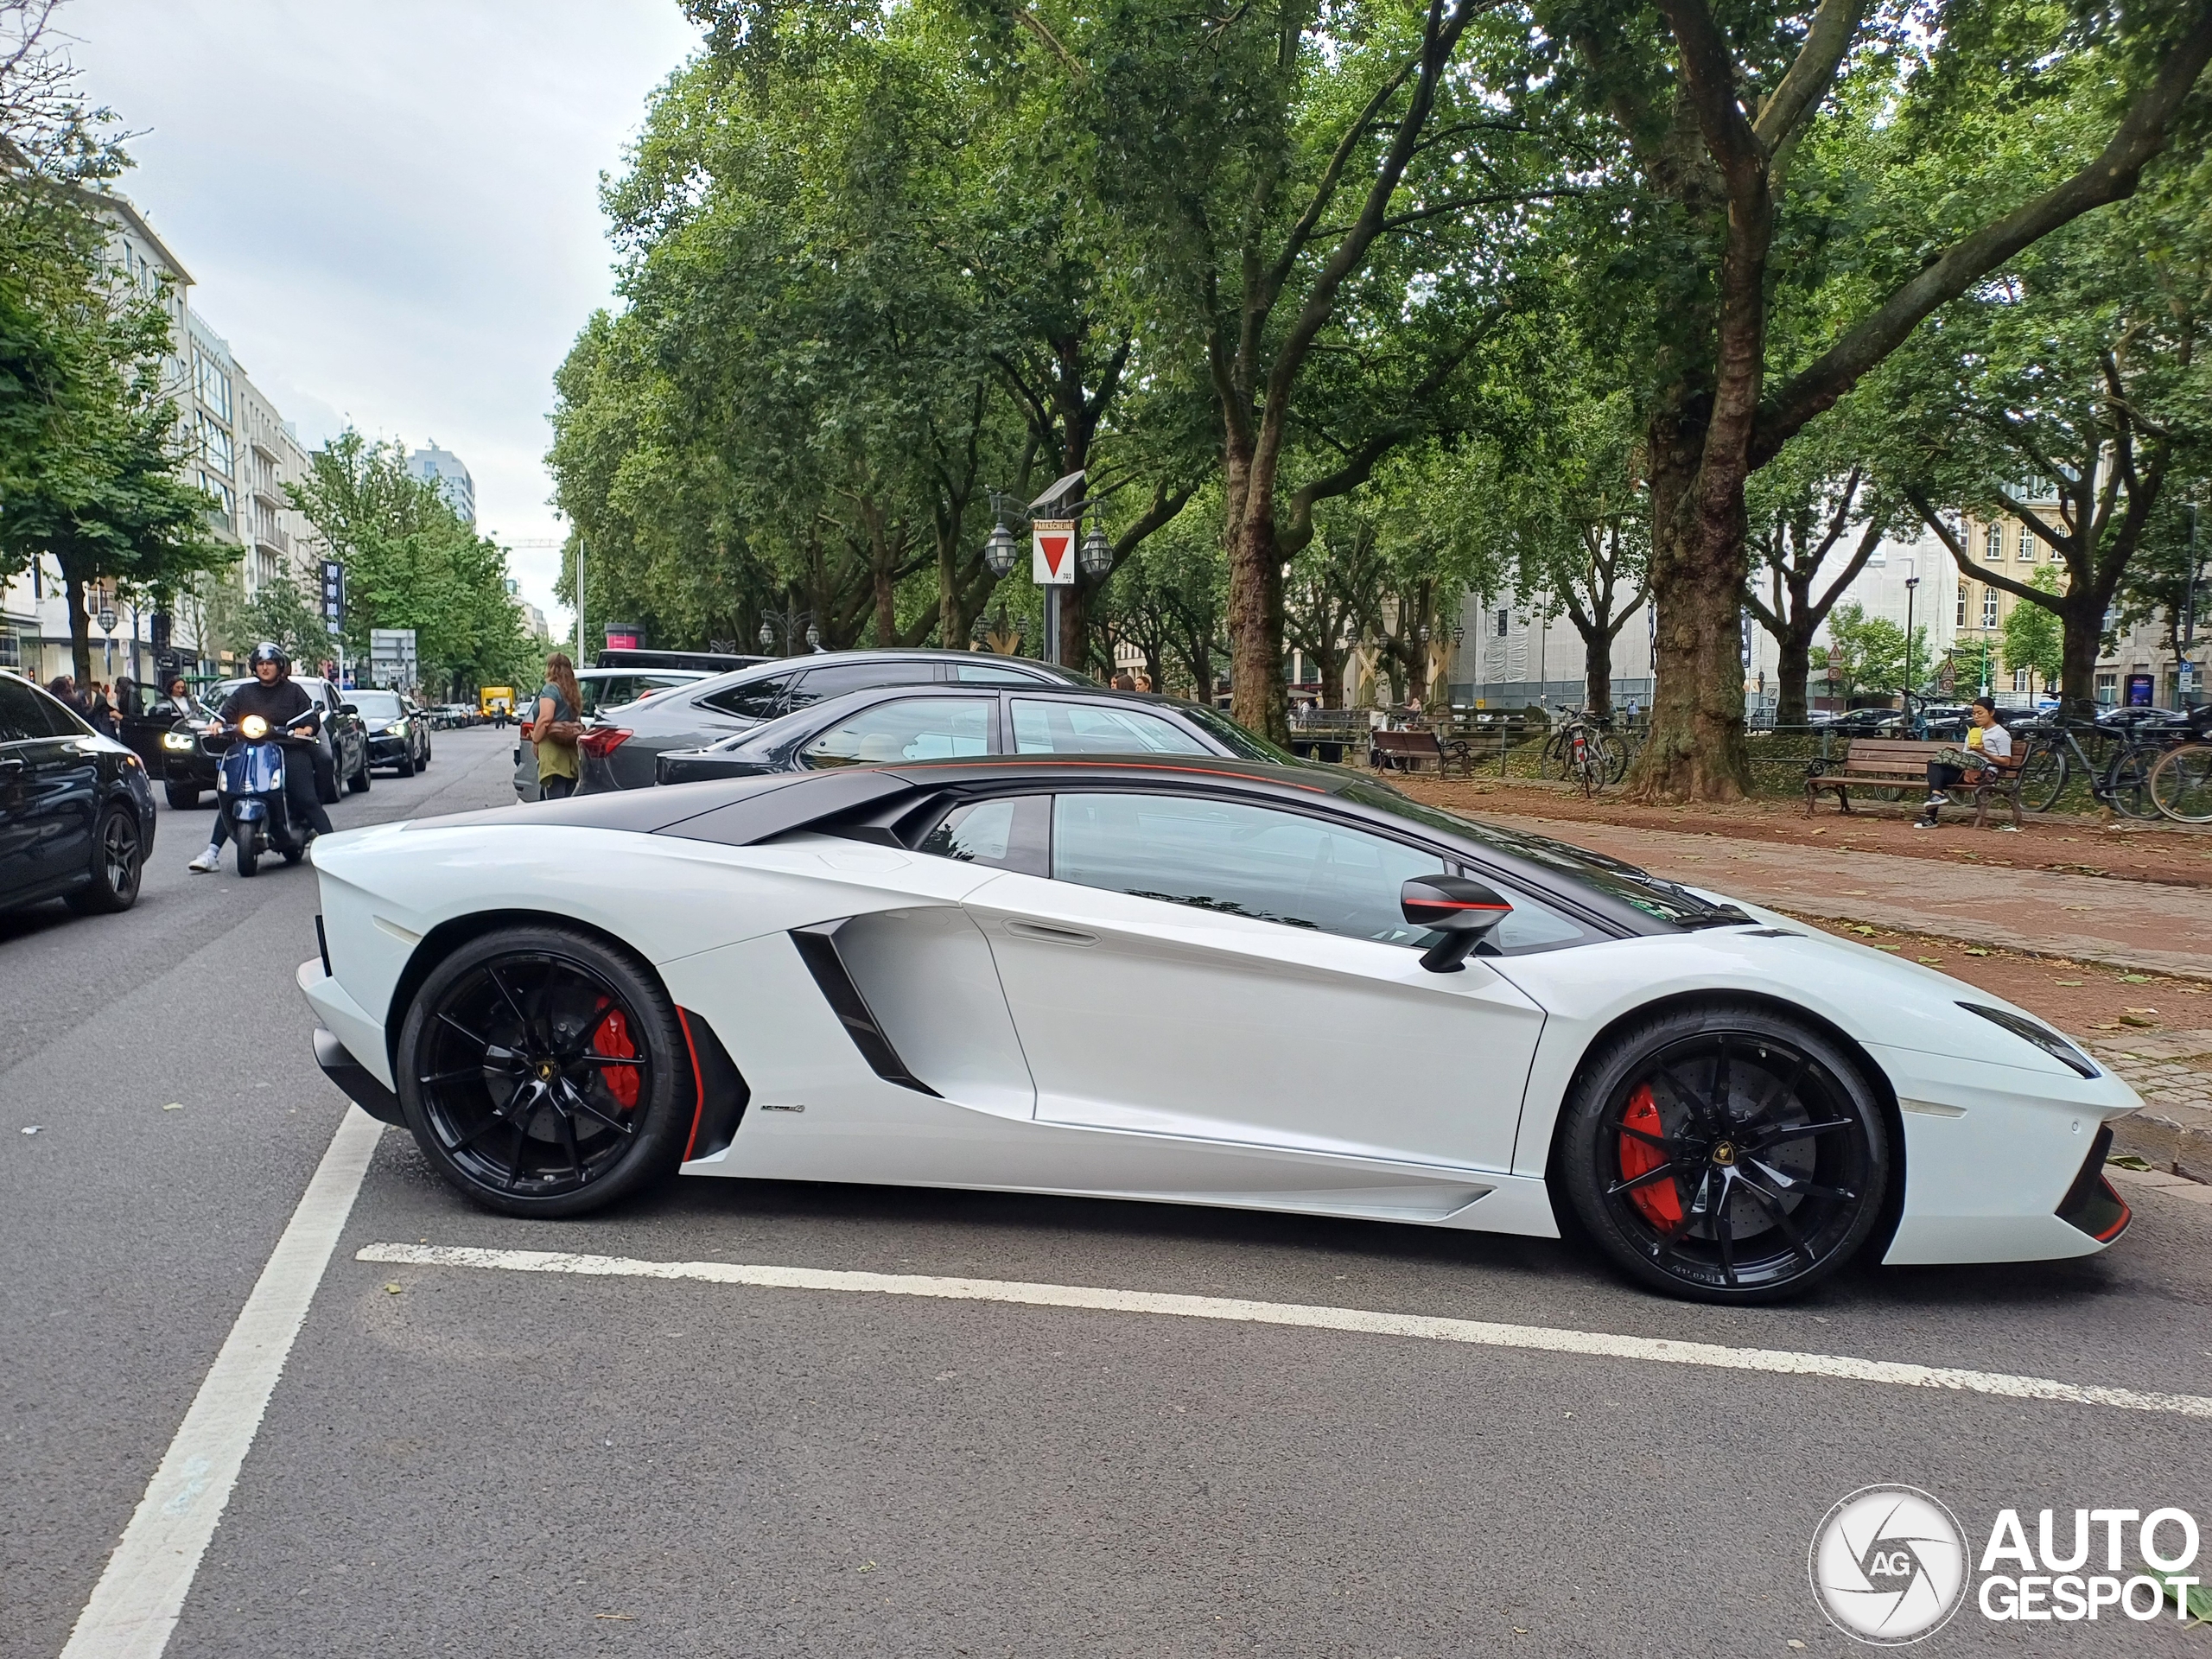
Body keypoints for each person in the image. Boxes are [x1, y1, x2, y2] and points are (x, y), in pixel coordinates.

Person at [188, 642, 336, 872]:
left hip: (288, 748)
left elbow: (310, 716)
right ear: (254, 667)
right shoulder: (245, 692)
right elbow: (227, 713)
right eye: (260, 664)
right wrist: (217, 724)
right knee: (231, 795)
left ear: (279, 666)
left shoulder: (293, 691)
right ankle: (211, 853)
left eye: (269, 663)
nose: (265, 668)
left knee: (306, 798)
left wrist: (306, 729)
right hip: (251, 748)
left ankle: (334, 849)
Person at [1916, 696, 2015, 830]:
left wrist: (1983, 751)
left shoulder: (2000, 734)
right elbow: (1967, 755)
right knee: (1935, 767)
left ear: (1991, 713)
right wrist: (1956, 752)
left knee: (1937, 771)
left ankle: (1930, 816)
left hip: (1984, 773)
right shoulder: (1974, 731)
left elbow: (2006, 762)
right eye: (1974, 714)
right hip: (1967, 770)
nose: (1976, 717)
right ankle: (1936, 798)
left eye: (1980, 713)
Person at [533, 652, 585, 800]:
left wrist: (535, 741)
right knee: (565, 802)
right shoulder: (572, 691)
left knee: (554, 805)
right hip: (569, 754)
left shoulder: (550, 689)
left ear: (551, 668)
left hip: (553, 755)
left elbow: (545, 719)